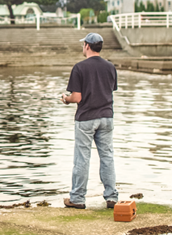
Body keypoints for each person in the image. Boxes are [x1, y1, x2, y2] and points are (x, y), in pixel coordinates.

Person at [61, 33, 119, 210]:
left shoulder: (79, 68)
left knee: (82, 159)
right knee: (107, 156)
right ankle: (111, 197)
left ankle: (77, 198)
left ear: (87, 46)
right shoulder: (110, 67)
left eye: (83, 44)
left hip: (86, 118)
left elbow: (77, 97)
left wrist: (66, 98)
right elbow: (110, 90)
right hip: (107, 117)